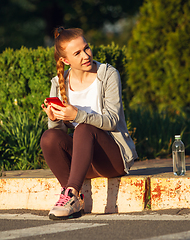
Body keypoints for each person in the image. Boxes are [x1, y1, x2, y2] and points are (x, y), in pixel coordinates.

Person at [40, 27, 138, 220]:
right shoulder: (59, 83)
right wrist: (54, 119)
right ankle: (72, 195)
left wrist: (77, 115)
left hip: (111, 159)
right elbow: (59, 134)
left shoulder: (108, 74)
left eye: (86, 48)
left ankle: (71, 193)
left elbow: (112, 121)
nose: (86, 55)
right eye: (77, 53)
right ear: (65, 60)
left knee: (84, 128)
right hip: (83, 161)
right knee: (49, 137)